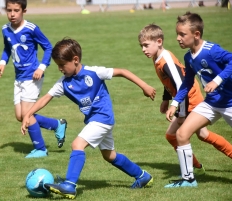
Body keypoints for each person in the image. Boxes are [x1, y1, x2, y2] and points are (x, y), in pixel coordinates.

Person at [21, 38, 156, 199]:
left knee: (77, 144)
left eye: (62, 65)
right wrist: (28, 114)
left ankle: (69, 185)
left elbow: (122, 71)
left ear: (75, 60)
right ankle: (142, 176)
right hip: (95, 120)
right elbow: (45, 98)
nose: (59, 69)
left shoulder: (94, 72)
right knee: (109, 155)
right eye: (58, 65)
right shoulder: (63, 83)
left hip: (103, 117)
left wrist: (145, 86)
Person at [138, 24, 232, 177]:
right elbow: (169, 82)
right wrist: (165, 99)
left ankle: (194, 168)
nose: (143, 49)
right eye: (142, 46)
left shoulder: (166, 60)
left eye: (146, 45)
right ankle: (196, 166)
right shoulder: (157, 57)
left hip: (190, 100)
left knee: (174, 135)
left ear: (159, 42)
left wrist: (181, 112)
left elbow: (181, 83)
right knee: (201, 135)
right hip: (184, 99)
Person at [165, 12, 232, 187]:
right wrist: (174, 103)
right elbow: (187, 82)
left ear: (196, 35)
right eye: (177, 34)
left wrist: (217, 81)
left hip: (230, 102)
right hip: (211, 103)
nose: (178, 38)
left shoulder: (212, 51)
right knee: (181, 134)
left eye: (182, 34)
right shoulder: (188, 57)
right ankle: (188, 180)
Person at [0, 0, 67, 158]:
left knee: (27, 115)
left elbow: (48, 46)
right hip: (18, 78)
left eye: (16, 10)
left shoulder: (31, 29)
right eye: (9, 10)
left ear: (24, 11)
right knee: (20, 116)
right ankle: (57, 125)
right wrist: (2, 62)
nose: (12, 14)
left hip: (32, 76)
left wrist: (41, 67)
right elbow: (8, 48)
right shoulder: (5, 29)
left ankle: (41, 149)